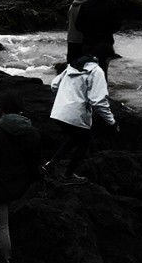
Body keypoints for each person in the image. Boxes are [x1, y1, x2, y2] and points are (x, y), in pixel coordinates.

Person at [0, 93, 44, 263]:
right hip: (23, 187)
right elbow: (36, 161)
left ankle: (4, 262)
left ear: (2, 110)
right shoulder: (34, 133)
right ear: (21, 110)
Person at [46, 55, 120, 184]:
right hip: (75, 114)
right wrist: (112, 122)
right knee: (83, 143)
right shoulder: (97, 71)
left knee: (75, 139)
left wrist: (67, 95)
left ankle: (50, 164)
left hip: (58, 112)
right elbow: (98, 101)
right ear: (105, 59)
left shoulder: (72, 67)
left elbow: (54, 85)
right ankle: (67, 176)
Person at [76, 0, 121, 70]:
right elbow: (117, 24)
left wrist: (87, 32)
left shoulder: (86, 5)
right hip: (106, 41)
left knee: (88, 68)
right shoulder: (113, 5)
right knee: (103, 68)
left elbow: (78, 24)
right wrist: (108, 31)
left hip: (89, 41)